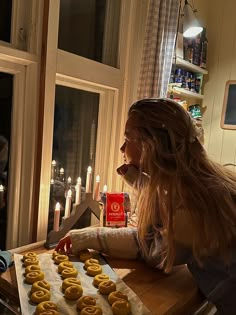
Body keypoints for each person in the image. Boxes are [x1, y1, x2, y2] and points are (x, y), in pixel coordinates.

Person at [56, 98, 236, 314]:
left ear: (150, 144)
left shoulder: (190, 205)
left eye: (127, 138)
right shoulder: (205, 183)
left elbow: (153, 252)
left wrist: (145, 186)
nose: (122, 148)